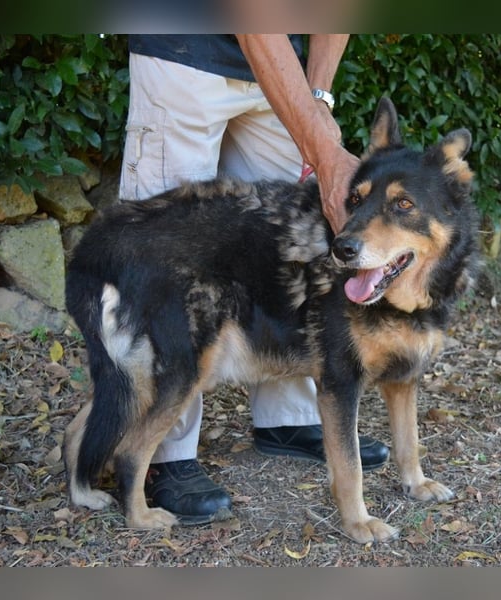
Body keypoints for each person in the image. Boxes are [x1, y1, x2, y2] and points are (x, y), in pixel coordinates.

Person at [119, 34, 389, 525]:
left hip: (281, 70)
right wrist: (325, 154)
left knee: (290, 235)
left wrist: (317, 98)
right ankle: (164, 456)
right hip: (184, 53)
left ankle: (289, 420)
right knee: (169, 249)